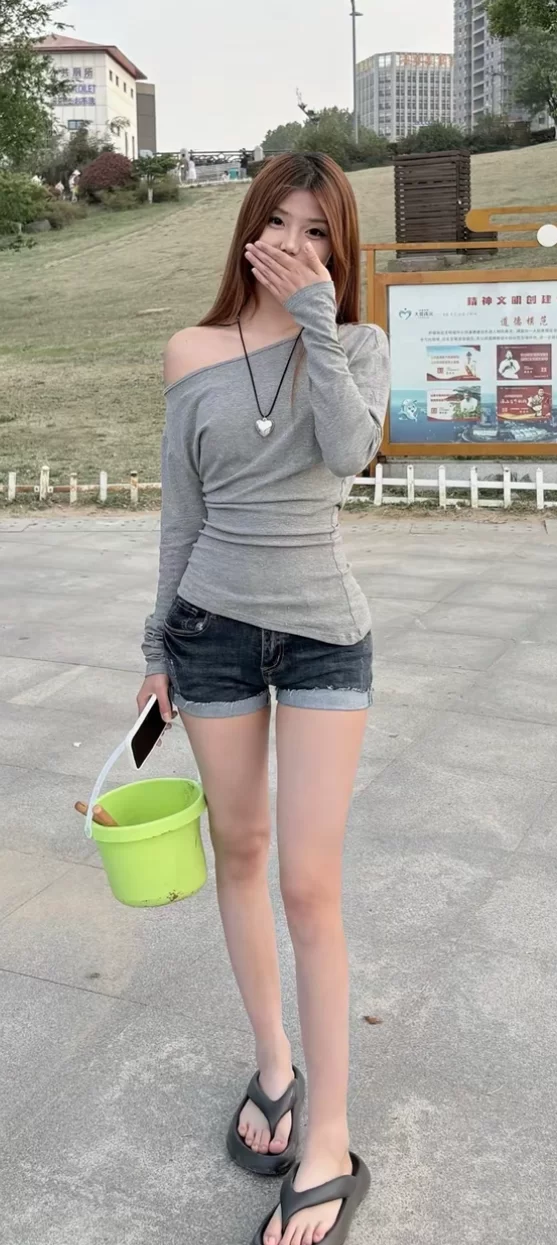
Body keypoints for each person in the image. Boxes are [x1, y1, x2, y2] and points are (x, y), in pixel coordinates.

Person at [138, 151, 390, 1245]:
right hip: (210, 634)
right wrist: (156, 644)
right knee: (237, 852)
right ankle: (274, 1067)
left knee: (307, 882)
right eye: (278, 222)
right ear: (247, 227)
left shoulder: (357, 345)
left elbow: (350, 453)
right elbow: (180, 515)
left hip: (324, 633)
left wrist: (317, 320)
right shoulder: (189, 350)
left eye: (318, 230)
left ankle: (327, 1138)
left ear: (339, 249)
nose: (294, 244)